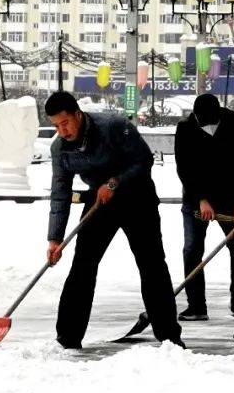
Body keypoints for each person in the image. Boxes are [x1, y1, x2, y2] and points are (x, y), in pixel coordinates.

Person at [44, 91, 183, 350]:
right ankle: (68, 337)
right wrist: (55, 239)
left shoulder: (114, 127)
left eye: (65, 123)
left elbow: (144, 160)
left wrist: (114, 182)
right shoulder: (60, 149)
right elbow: (60, 193)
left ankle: (169, 336)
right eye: (56, 126)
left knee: (151, 264)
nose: (62, 131)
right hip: (100, 203)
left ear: (78, 114)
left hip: (137, 198)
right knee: (83, 266)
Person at [173, 93, 234, 321]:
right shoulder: (186, 128)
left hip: (228, 199)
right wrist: (201, 199)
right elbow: (185, 168)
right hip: (196, 201)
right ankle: (196, 306)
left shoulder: (232, 126)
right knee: (192, 250)